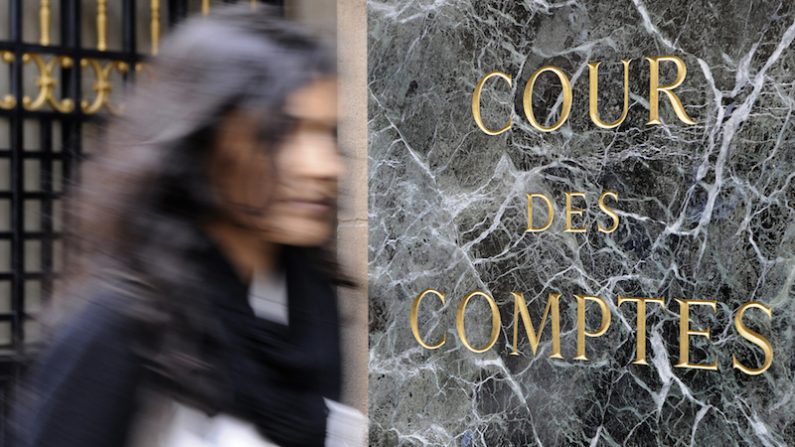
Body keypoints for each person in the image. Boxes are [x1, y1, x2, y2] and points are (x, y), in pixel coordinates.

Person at [12, 5, 364, 446]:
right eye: (281, 133)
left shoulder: (309, 303)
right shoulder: (125, 325)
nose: (324, 165)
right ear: (207, 140)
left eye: (326, 133)